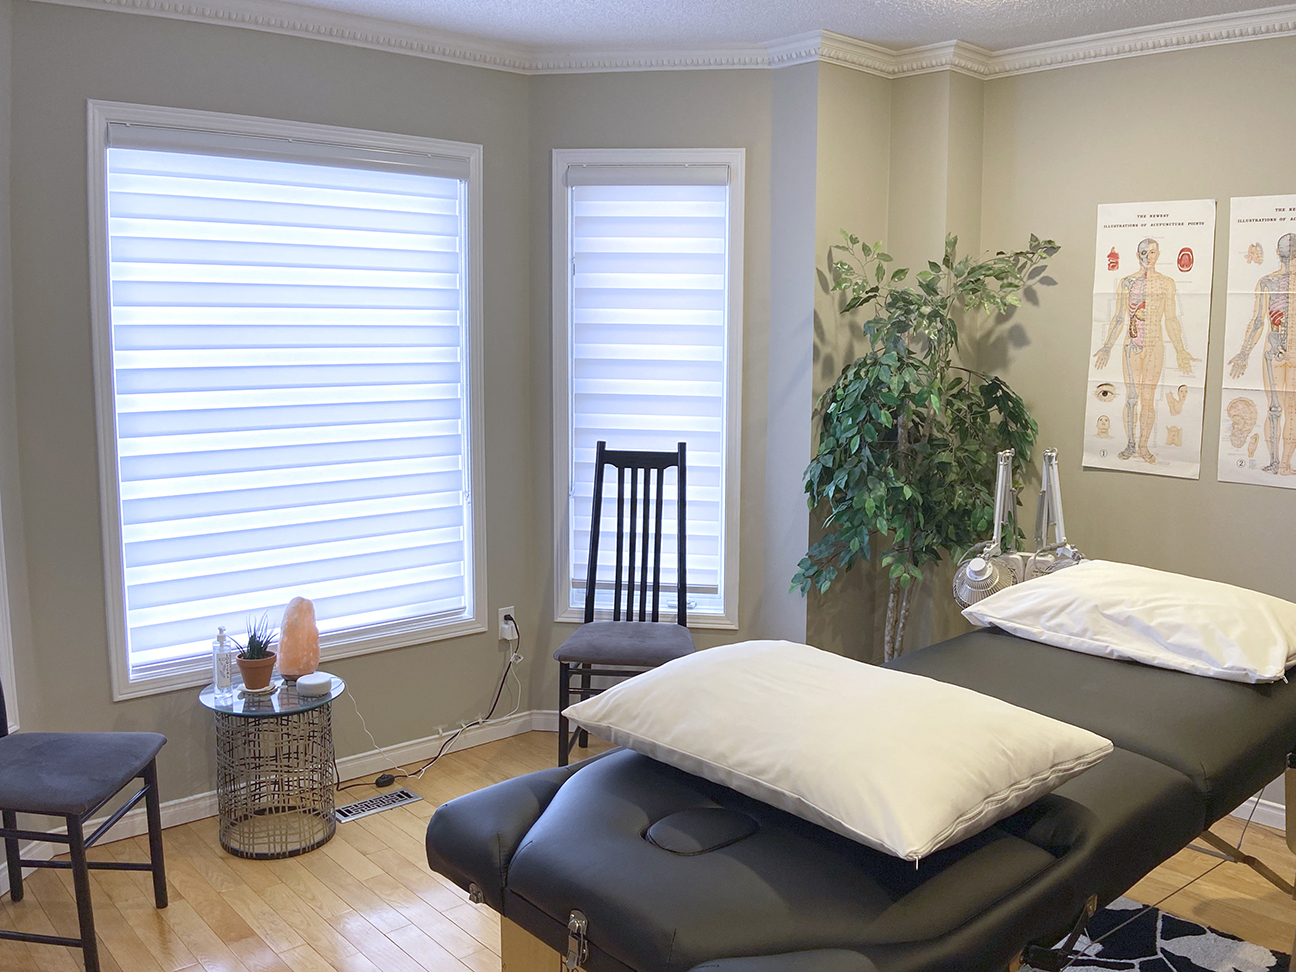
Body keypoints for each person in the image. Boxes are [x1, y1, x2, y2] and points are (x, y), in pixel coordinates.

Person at [1093, 238, 1194, 463]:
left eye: (1153, 252)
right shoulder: (1127, 282)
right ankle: (1130, 444)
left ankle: (1143, 446)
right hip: (1132, 344)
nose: (1150, 256)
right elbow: (1119, 317)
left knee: (1148, 398)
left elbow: (1171, 318)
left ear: (1158, 254)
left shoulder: (1167, 282)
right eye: (1145, 252)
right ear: (1138, 254)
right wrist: (1107, 346)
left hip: (1155, 343)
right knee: (1131, 398)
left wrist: (1180, 349)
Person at [1228, 233, 1296, 475]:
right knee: (1282, 409)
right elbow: (1258, 322)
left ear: (1278, 254)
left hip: (1275, 349)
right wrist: (1244, 353)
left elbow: (1258, 321)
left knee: (1280, 409)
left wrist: (1244, 354)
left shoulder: (1267, 281)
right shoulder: (1267, 282)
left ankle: (1281, 463)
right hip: (1274, 348)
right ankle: (1281, 463)